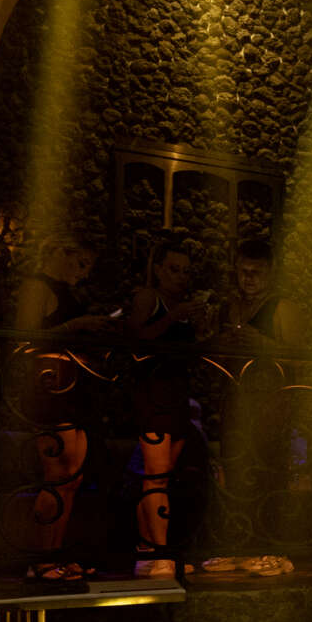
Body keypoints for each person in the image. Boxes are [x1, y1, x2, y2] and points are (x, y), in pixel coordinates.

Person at [10, 235, 108, 580]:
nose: (83, 273)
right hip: (50, 384)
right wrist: (75, 327)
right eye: (80, 263)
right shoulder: (37, 287)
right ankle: (41, 558)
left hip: (72, 384)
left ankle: (56, 552)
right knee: (57, 474)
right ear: (60, 253)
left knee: (72, 477)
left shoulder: (70, 293)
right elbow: (25, 336)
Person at [203, 239, 298, 577]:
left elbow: (298, 357)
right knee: (234, 471)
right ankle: (237, 545)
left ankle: (271, 548)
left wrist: (263, 344)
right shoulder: (229, 308)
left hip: (270, 404)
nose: (249, 278)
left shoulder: (283, 308)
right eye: (243, 272)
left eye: (256, 272)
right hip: (236, 402)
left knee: (268, 473)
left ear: (270, 273)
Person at [125, 241, 210, 578]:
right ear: (158, 269)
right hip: (153, 392)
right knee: (156, 474)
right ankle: (158, 553)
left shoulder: (182, 306)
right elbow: (134, 337)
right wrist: (173, 316)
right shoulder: (149, 298)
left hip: (176, 393)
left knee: (163, 474)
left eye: (186, 271)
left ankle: (150, 549)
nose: (181, 277)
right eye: (174, 269)